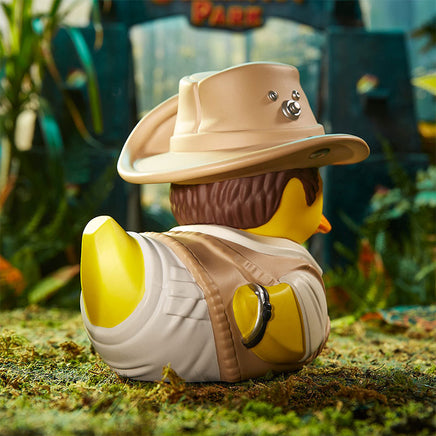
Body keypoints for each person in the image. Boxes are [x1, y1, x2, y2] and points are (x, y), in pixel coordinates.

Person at [80, 62, 370, 382]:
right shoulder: (291, 267)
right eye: (315, 192)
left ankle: (125, 305)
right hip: (208, 332)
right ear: (294, 193)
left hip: (143, 314)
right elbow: (297, 340)